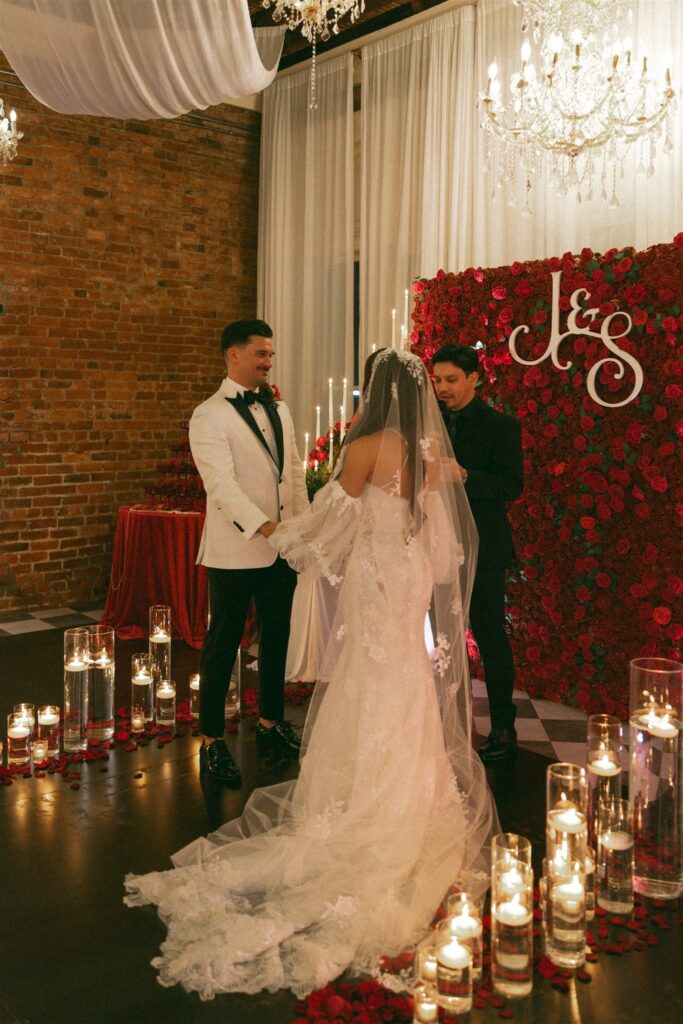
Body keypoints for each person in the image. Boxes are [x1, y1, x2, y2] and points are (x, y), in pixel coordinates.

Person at [125, 349, 497, 999]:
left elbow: (333, 520)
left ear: (373, 390)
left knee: (363, 678)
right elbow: (444, 551)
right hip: (409, 581)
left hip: (376, 580)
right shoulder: (431, 453)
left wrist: (287, 540)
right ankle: (414, 803)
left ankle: (358, 806)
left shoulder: (367, 447)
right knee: (406, 678)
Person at [188, 319, 309, 786]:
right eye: (261, 353)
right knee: (224, 643)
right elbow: (220, 486)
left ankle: (270, 722)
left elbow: (293, 473)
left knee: (277, 635)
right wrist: (266, 528)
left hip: (281, 548)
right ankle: (213, 742)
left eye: (271, 355)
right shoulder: (209, 414)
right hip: (235, 550)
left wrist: (301, 527)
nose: (268, 362)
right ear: (233, 355)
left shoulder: (278, 407)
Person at [432, 343, 523, 763]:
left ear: (474, 378)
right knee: (444, 639)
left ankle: (504, 724)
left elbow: (512, 486)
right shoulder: (428, 421)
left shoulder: (501, 426)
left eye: (452, 380)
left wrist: (465, 475)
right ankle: (449, 719)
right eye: (438, 380)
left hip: (484, 548)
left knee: (489, 635)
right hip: (437, 545)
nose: (443, 388)